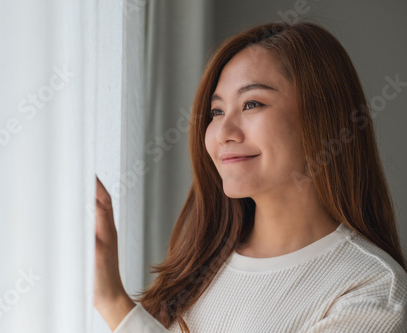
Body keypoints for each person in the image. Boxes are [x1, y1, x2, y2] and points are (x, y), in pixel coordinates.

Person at [94, 21, 407, 332]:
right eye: (217, 112)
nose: (223, 133)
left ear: (321, 118)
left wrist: (113, 303)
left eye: (251, 104)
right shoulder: (197, 268)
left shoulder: (372, 288)